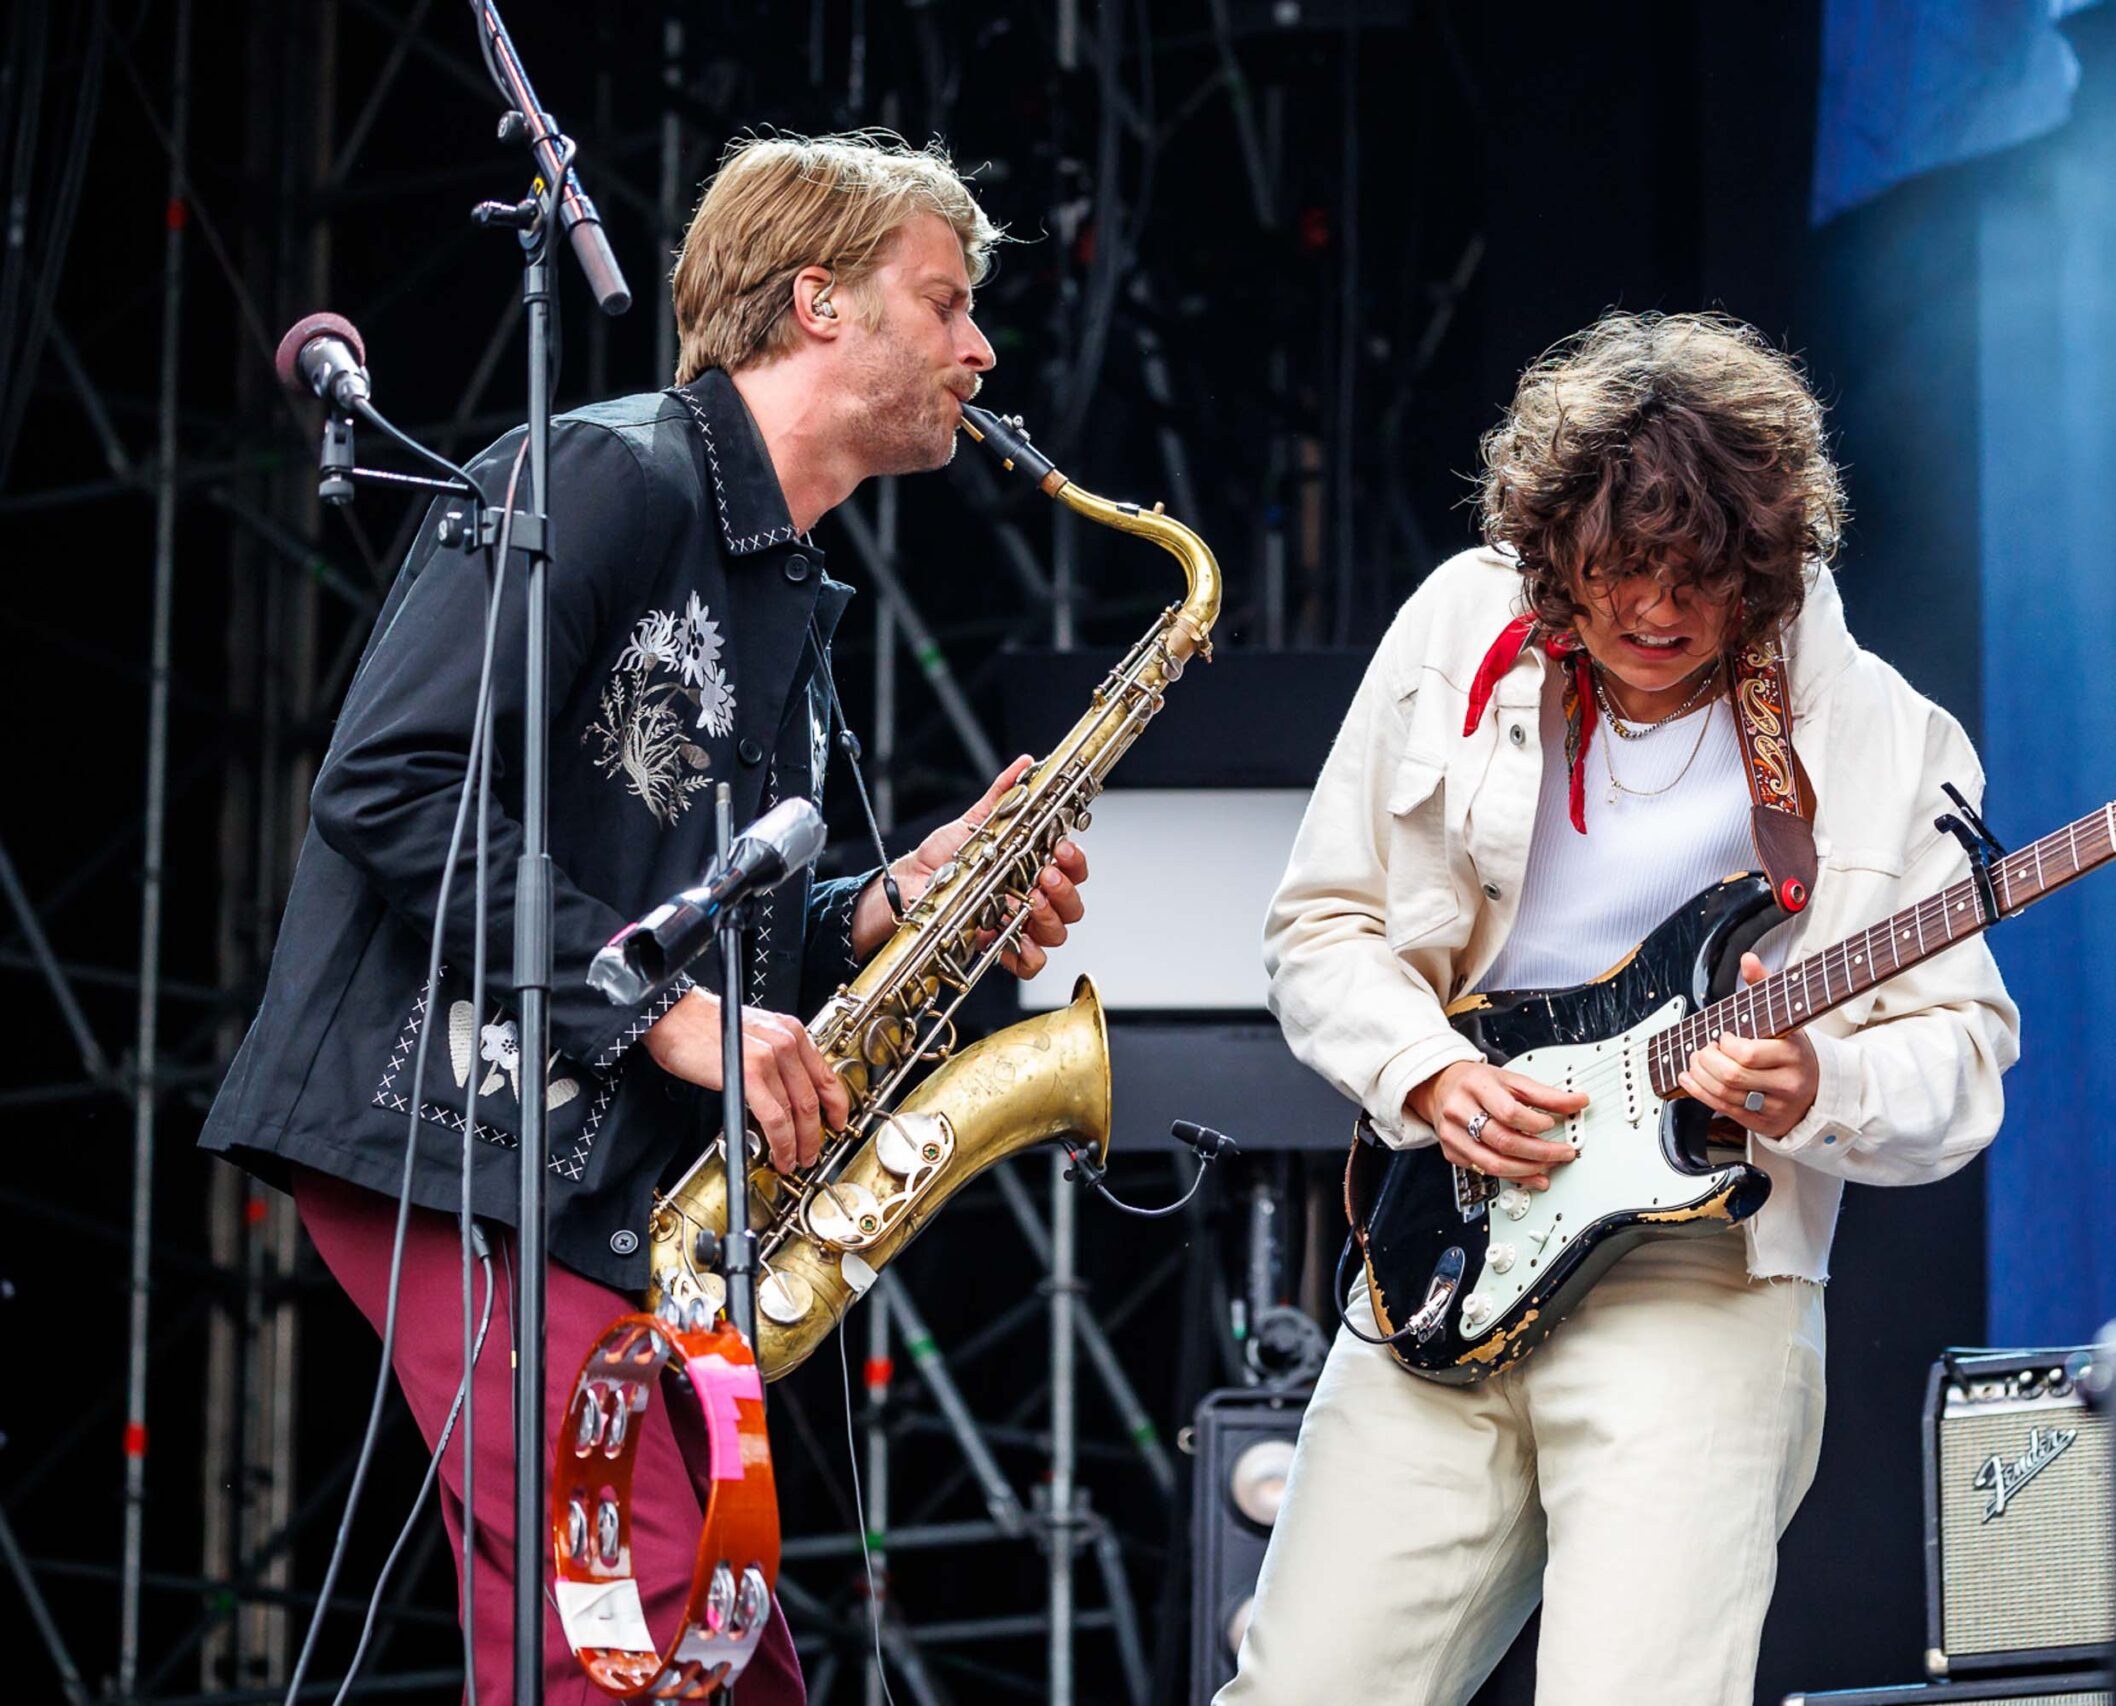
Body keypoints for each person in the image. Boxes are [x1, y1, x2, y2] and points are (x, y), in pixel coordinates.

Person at [199, 132, 1083, 1704]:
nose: (979, 347)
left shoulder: (786, 589)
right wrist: (672, 1017)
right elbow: (394, 785)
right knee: (642, 1619)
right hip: (452, 1142)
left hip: (613, 1195)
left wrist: (889, 904)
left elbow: (702, 913)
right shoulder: (601, 472)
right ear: (818, 302)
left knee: (716, 1658)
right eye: (944, 302)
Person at [1226, 311, 2021, 1705]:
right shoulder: (1456, 624)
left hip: (1702, 1283)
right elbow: (1321, 926)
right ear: (1548, 555)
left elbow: (1963, 1059)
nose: (1654, 611)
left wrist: (1815, 1084)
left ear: (1764, 568)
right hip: (1448, 1241)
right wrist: (1425, 1073)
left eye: (1697, 578)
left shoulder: (1882, 735)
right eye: (1613, 573)